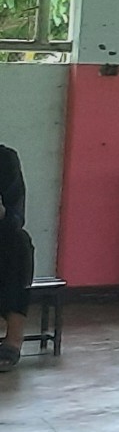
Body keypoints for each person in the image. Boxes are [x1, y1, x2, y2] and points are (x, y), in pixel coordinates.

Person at [1, 143, 30, 372]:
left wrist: (2, 212)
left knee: (19, 242)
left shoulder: (5, 159)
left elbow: (16, 217)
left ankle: (13, 337)